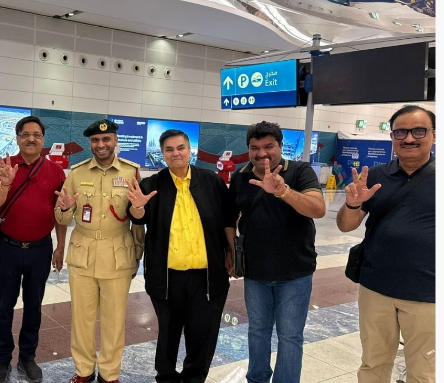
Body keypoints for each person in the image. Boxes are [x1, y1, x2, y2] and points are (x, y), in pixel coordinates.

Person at [336, 105, 435, 383]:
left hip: (428, 293)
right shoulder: (376, 175)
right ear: (392, 136)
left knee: (424, 372)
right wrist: (352, 203)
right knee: (373, 364)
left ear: (433, 134)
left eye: (418, 131)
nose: (409, 138)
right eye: (400, 132)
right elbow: (346, 225)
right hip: (376, 288)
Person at [127, 129, 233, 383]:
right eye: (169, 149)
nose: (176, 153)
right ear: (162, 154)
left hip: (206, 276)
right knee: (168, 331)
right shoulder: (152, 185)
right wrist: (138, 206)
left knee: (203, 332)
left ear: (189, 150)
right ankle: (165, 377)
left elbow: (228, 217)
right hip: (167, 276)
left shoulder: (211, 181)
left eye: (180, 148)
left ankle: (195, 377)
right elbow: (137, 217)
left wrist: (231, 251)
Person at [228, 121, 325, 383]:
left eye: (269, 146)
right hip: (255, 271)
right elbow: (229, 218)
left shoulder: (300, 171)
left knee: (290, 335)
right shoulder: (240, 176)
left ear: (281, 146)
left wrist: (282, 191)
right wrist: (230, 251)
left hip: (295, 271)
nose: (262, 153)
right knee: (257, 331)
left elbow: (317, 209)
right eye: (255, 147)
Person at [55, 119, 144, 383]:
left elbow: (138, 220)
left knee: (114, 320)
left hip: (118, 255)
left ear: (115, 140)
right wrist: (64, 208)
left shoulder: (131, 172)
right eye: (95, 140)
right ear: (90, 143)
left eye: (106, 139)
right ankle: (83, 370)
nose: (101, 144)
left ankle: (109, 373)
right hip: (82, 254)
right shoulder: (77, 173)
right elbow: (61, 218)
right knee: (81, 319)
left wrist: (137, 254)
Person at [0, 116, 67, 383]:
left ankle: (28, 358)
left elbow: (60, 213)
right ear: (18, 138)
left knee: (34, 306)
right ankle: (2, 360)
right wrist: (5, 183)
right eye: (25, 134)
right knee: (4, 307)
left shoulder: (55, 171)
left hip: (40, 249)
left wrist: (60, 246)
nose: (31, 139)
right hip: (7, 248)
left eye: (36, 135)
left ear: (43, 139)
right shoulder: (4, 166)